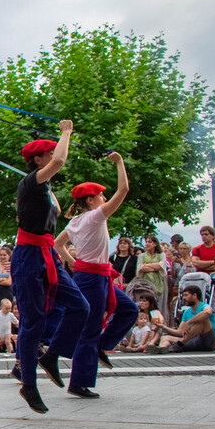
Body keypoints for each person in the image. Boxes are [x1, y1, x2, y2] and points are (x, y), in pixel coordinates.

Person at [11, 123, 90, 414]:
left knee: (80, 307)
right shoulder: (30, 182)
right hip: (29, 256)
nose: (55, 155)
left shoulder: (45, 188)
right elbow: (59, 161)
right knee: (33, 322)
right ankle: (28, 384)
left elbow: (54, 172)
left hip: (46, 254)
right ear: (38, 159)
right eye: (49, 153)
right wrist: (66, 131)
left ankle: (52, 355)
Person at [53, 153, 138, 399]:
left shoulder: (75, 221)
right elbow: (124, 190)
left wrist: (74, 264)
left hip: (92, 276)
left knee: (129, 310)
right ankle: (79, 383)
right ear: (90, 200)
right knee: (89, 330)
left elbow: (58, 244)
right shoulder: (95, 216)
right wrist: (120, 162)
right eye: (101, 195)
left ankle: (102, 346)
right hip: (92, 279)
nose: (104, 198)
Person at [148, 285, 215, 353]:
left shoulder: (204, 306)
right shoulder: (187, 312)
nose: (184, 298)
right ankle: (161, 350)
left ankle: (179, 344)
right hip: (193, 341)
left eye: (186, 295)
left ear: (194, 295)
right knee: (165, 338)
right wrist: (163, 326)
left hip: (209, 341)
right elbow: (180, 332)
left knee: (202, 320)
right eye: (183, 295)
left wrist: (189, 322)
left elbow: (208, 312)